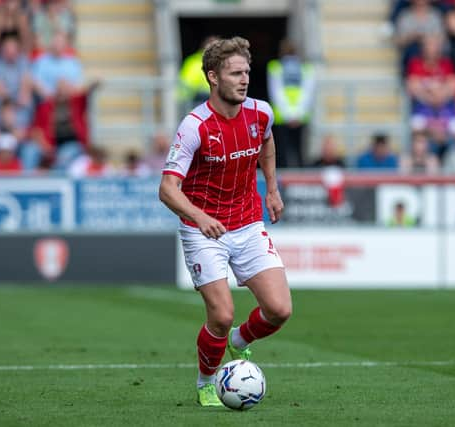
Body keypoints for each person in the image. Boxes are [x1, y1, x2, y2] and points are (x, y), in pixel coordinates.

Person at [158, 36, 291, 408]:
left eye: (247, 71)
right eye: (236, 73)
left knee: (279, 310)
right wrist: (200, 218)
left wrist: (272, 190)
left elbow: (266, 143)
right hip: (204, 229)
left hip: (248, 222)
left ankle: (239, 342)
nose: (244, 79)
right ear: (213, 77)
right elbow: (168, 188)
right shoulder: (194, 126)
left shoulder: (261, 112)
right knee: (221, 313)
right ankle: (205, 382)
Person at [267, 38, 315, 168]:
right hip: (301, 116)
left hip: (283, 116)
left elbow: (276, 92)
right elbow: (308, 92)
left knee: (282, 151)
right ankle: (300, 182)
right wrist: (297, 114)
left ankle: (283, 183)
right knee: (299, 151)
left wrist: (289, 115)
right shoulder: (306, 68)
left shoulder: (275, 66)